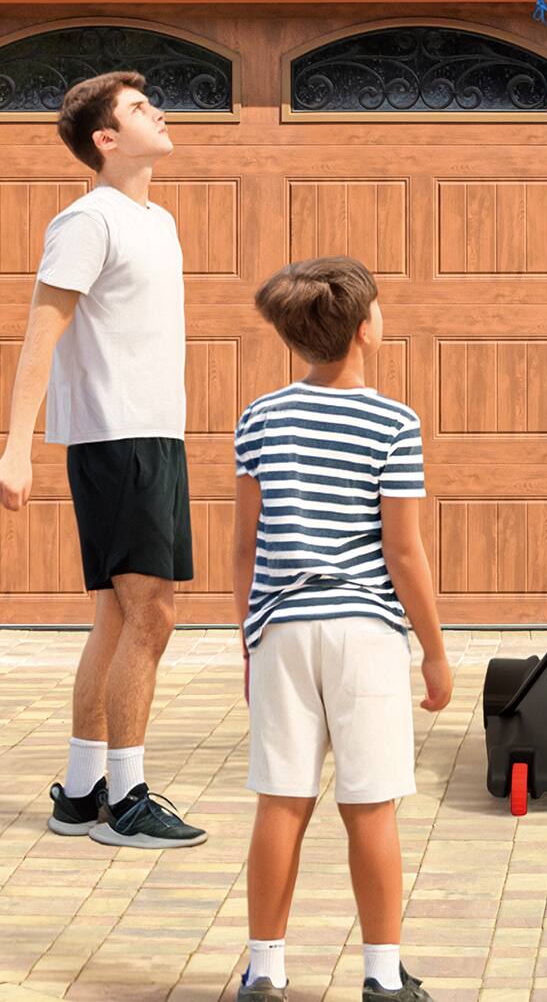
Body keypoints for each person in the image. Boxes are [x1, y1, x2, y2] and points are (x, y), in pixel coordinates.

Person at [0, 70, 206, 849]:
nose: (160, 111)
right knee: (154, 613)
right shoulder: (87, 221)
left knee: (117, 616)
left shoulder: (161, 221)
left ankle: (81, 792)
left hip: (155, 435)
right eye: (142, 108)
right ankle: (129, 796)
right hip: (115, 439)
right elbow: (40, 334)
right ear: (106, 140)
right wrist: (17, 447)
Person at [232, 256, 452, 1002]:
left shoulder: (260, 417)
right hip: (363, 630)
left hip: (283, 628)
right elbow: (403, 551)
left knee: (281, 799)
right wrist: (435, 652)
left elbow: (246, 545)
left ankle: (265, 969)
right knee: (370, 804)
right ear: (365, 329)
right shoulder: (394, 422)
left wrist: (249, 639)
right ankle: (383, 976)